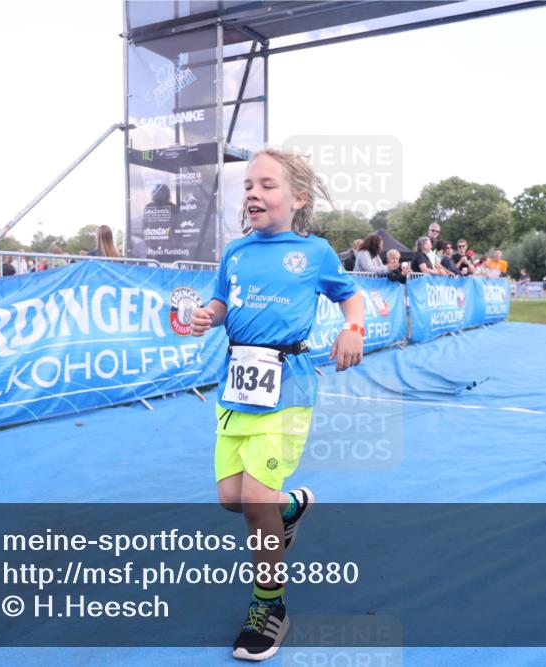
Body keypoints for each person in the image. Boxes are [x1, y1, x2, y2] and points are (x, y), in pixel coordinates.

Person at [190, 148, 364, 662]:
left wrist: (352, 329)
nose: (253, 194)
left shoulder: (315, 253)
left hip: (287, 389)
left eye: (267, 185)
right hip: (235, 391)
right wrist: (206, 315)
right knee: (231, 497)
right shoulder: (235, 252)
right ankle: (292, 509)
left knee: (255, 501)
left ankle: (271, 606)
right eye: (248, 185)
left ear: (298, 198)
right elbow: (223, 303)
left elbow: (350, 297)